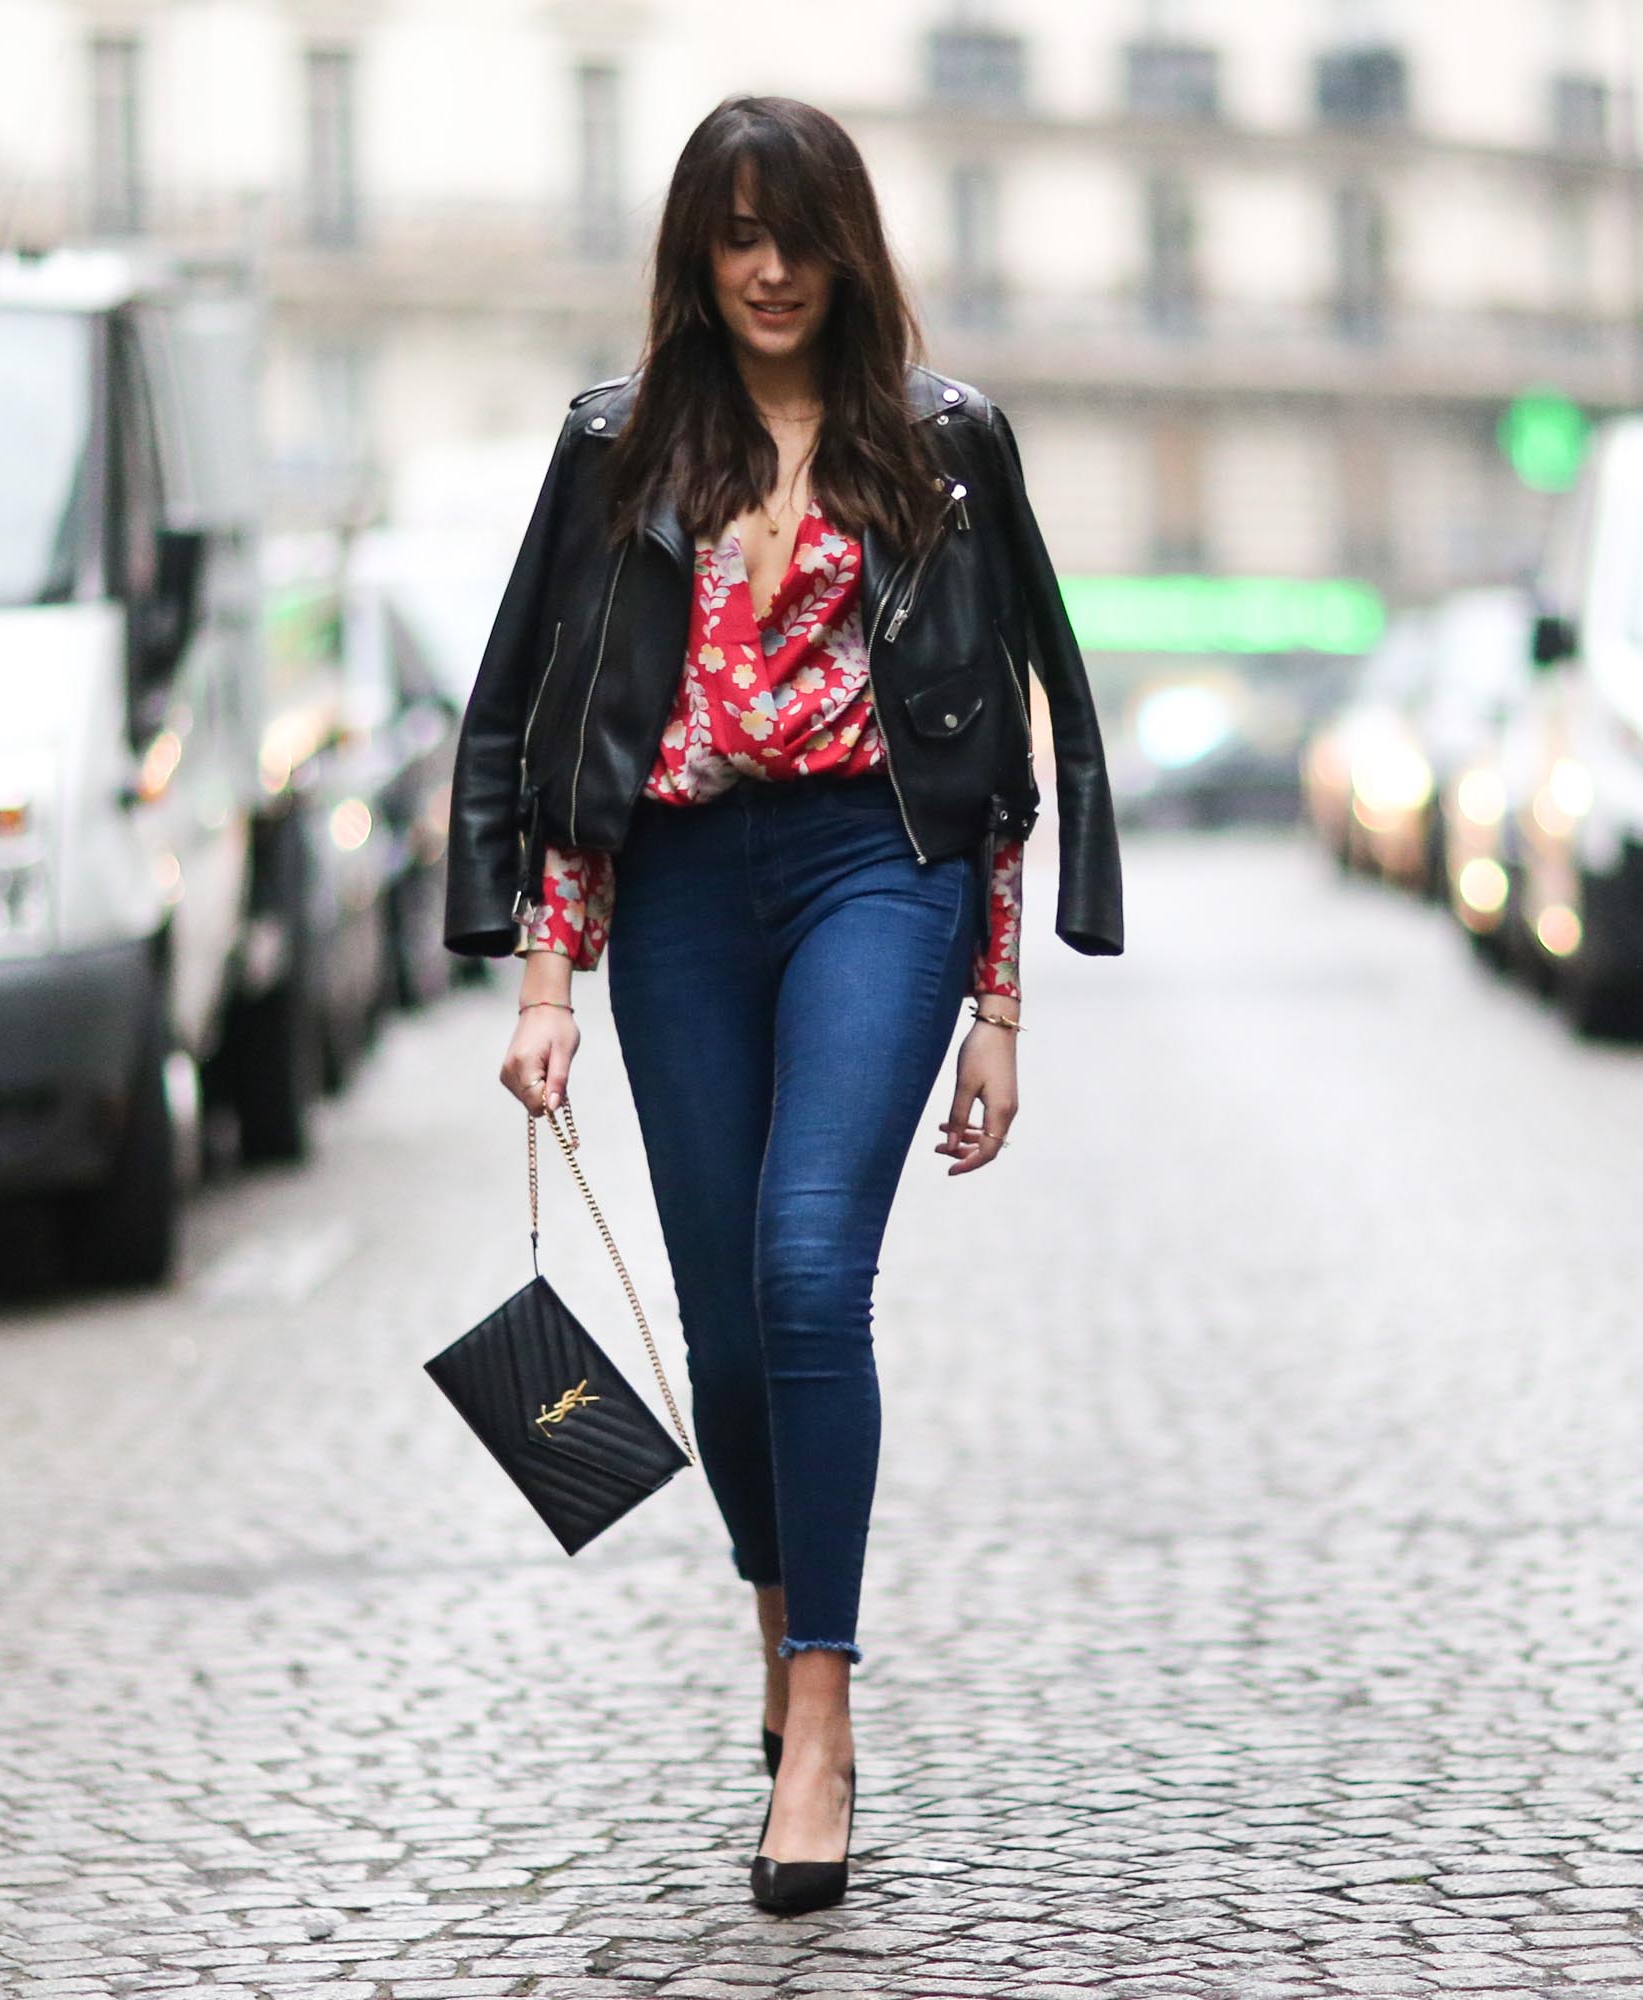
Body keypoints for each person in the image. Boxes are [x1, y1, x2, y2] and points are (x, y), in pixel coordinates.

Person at [441, 94, 1122, 1916]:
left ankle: (817, 1710)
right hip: (672, 895)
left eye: (797, 233)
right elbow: (570, 725)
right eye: (735, 234)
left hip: (870, 875)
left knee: (812, 1266)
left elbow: (991, 759)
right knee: (728, 1330)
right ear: (693, 249)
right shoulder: (619, 450)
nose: (766, 268)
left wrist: (999, 1008)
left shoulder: (943, 449)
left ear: (848, 249)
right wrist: (544, 977)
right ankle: (774, 1618)